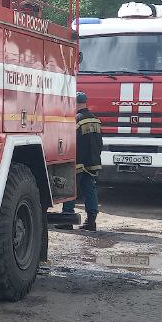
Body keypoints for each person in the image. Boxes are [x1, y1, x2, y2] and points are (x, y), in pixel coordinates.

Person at [64, 91, 103, 231]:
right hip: (93, 161)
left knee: (70, 189)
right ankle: (91, 221)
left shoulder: (77, 120)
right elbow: (99, 142)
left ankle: (67, 219)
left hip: (78, 162)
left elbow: (71, 142)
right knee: (90, 189)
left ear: (75, 103)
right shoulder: (95, 120)